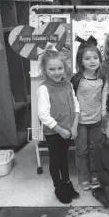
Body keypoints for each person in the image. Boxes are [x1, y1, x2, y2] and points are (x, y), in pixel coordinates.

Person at [37, 48, 80, 204]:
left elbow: (76, 106)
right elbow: (43, 115)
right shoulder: (44, 89)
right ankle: (58, 187)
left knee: (64, 159)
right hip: (54, 133)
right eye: (51, 69)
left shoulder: (68, 85)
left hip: (67, 131)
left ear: (65, 68)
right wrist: (59, 130)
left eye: (59, 68)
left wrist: (74, 126)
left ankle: (67, 183)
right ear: (45, 69)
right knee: (56, 160)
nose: (56, 72)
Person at [70, 41, 105, 191]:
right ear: (81, 62)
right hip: (81, 122)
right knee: (81, 150)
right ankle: (83, 177)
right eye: (87, 58)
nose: (92, 61)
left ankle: (95, 175)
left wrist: (104, 115)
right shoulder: (77, 79)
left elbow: (103, 97)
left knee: (95, 149)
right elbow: (72, 100)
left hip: (96, 121)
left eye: (95, 58)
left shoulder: (102, 77)